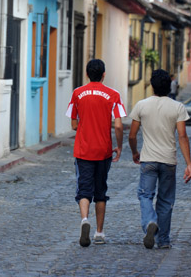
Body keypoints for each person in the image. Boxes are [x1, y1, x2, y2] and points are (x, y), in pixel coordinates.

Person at [128, 69, 191, 249]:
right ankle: (163, 240)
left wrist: (134, 152)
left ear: (152, 86)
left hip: (148, 159)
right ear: (168, 86)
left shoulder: (141, 105)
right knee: (165, 200)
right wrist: (188, 163)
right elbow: (182, 136)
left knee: (145, 195)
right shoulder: (177, 107)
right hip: (169, 160)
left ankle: (149, 221)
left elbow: (132, 135)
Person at [66, 59, 126, 247]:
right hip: (103, 150)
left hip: (83, 149)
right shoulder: (113, 95)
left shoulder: (77, 93)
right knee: (101, 191)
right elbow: (118, 125)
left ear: (87, 74)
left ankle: (85, 220)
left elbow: (74, 123)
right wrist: (119, 146)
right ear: (103, 74)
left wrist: (85, 127)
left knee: (83, 189)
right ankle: (99, 233)